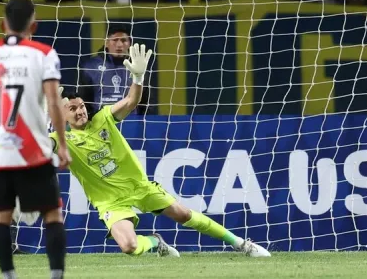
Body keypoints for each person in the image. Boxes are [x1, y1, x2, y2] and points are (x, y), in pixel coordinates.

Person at [49, 43, 271, 258]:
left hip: (141, 187)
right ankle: (156, 241)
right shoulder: (62, 138)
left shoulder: (103, 119)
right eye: (72, 108)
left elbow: (131, 101)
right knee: (129, 246)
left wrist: (137, 78)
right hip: (111, 202)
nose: (81, 111)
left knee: (183, 214)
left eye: (81, 106)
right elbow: (45, 145)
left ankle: (242, 244)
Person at [0, 0, 71, 279]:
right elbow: (54, 103)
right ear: (33, 25)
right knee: (52, 215)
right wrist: (64, 146)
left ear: (2, 24)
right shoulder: (44, 53)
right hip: (34, 150)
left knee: (0, 216)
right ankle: (56, 275)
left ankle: (9, 276)